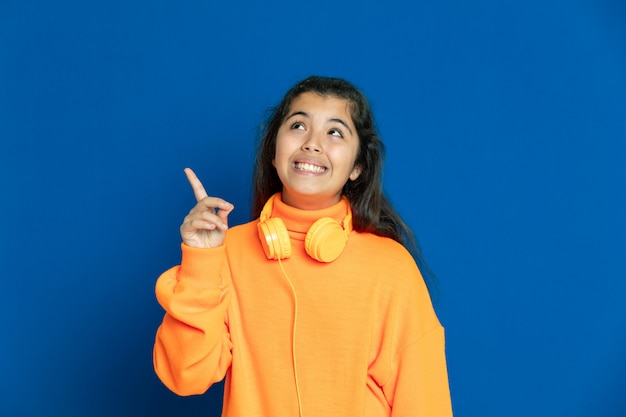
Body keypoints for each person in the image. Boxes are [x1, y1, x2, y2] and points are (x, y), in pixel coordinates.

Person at [153, 76, 453, 416]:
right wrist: (201, 262)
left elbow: (426, 402)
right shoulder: (227, 253)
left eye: (335, 132)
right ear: (273, 151)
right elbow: (185, 375)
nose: (312, 143)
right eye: (298, 125)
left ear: (357, 166)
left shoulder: (390, 267)